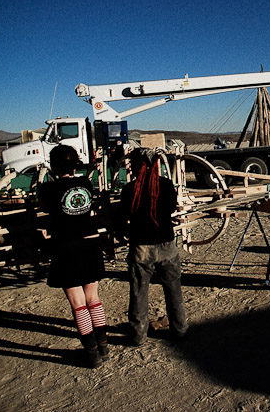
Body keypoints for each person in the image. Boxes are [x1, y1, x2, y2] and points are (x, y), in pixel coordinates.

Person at [37, 145, 109, 368]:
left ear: (55, 164)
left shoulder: (48, 188)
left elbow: (44, 209)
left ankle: (91, 352)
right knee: (93, 299)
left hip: (67, 246)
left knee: (78, 303)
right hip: (90, 242)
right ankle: (104, 345)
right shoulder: (85, 184)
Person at [120, 148, 187, 345]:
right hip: (166, 244)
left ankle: (138, 335)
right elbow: (171, 208)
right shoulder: (166, 186)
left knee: (139, 291)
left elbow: (123, 217)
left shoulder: (129, 190)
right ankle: (180, 329)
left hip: (141, 247)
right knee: (173, 288)